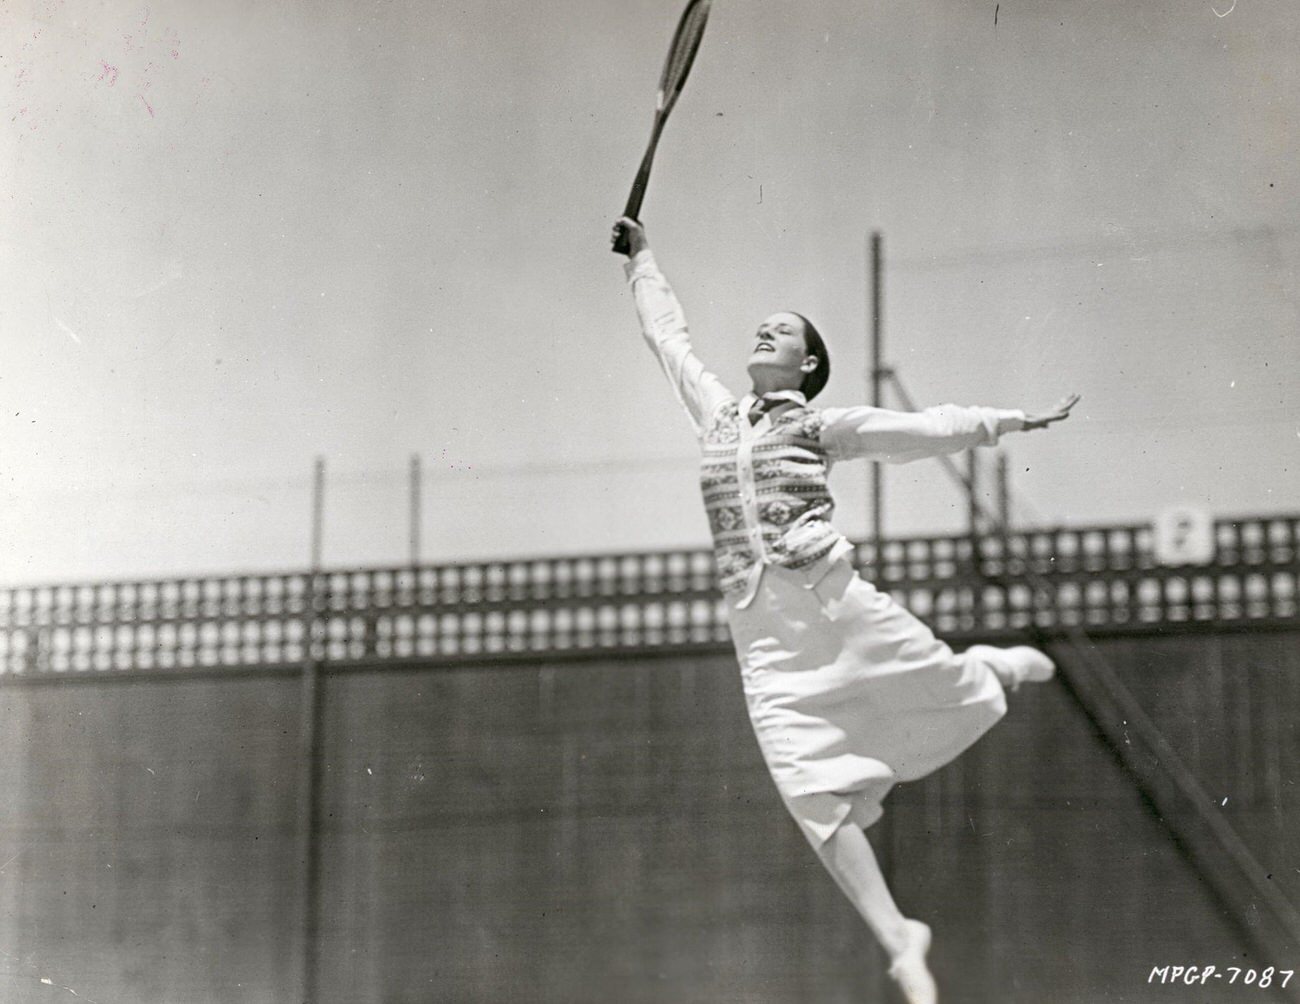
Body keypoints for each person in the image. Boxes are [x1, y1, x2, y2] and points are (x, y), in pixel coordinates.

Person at [611, 217, 1078, 1004]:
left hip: (830, 600)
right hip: (761, 634)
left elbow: (922, 430)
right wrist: (641, 259)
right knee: (808, 790)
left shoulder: (821, 425)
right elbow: (667, 337)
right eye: (761, 326)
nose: (764, 331)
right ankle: (899, 937)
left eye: (783, 329)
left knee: (939, 680)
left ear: (808, 363)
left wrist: (1009, 420)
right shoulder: (717, 414)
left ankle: (990, 668)